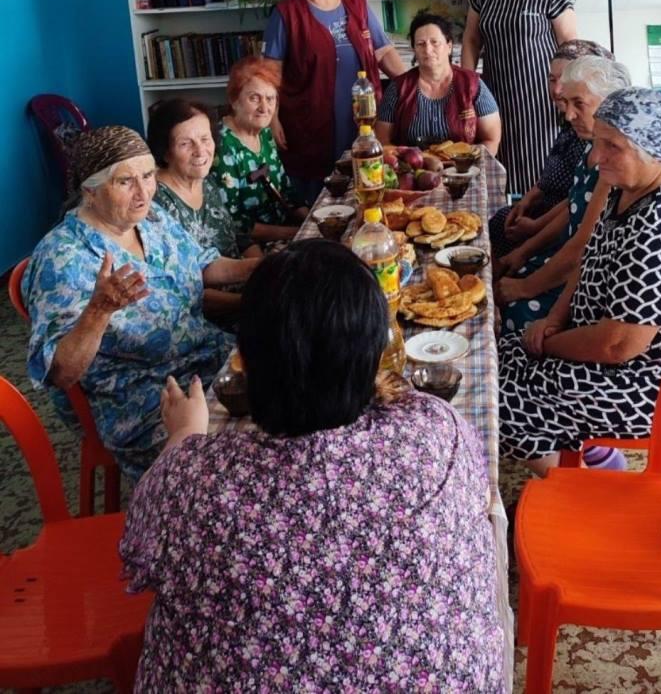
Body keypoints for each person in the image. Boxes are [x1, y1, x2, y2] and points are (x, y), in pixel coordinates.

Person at [120, 239, 505, 691]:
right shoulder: (439, 430)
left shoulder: (187, 479)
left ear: (246, 361)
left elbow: (138, 555)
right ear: (374, 353)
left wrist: (185, 435)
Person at [497, 88, 661, 476]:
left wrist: (549, 344)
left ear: (652, 149)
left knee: (502, 399)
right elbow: (588, 258)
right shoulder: (628, 188)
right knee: (501, 357)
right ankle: (580, 466)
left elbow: (620, 344)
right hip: (613, 345)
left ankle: (581, 484)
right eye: (597, 143)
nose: (594, 157)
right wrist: (554, 319)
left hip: (659, 377)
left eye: (611, 146)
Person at [22, 126, 261, 483]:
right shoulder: (63, 259)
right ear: (90, 191)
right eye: (125, 182)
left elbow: (202, 263)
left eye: (148, 176)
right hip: (146, 400)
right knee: (249, 462)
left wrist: (260, 267)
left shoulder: (151, 220)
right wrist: (99, 311)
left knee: (292, 391)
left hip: (210, 360)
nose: (143, 192)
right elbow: (61, 373)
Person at [495, 55, 631, 335]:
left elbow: (583, 245)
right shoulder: (589, 146)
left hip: (590, 279)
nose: (568, 115)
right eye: (567, 104)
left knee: (511, 314)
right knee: (499, 275)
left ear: (609, 103)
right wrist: (523, 253)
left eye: (579, 104)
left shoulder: (615, 163)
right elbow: (574, 204)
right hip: (568, 259)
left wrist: (523, 288)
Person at [264, 0, 406, 201]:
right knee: (319, 185)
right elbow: (271, 71)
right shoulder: (287, 13)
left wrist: (412, 86)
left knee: (365, 174)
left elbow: (383, 51)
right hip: (309, 115)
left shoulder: (357, 5)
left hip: (361, 113)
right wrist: (272, 119)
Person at [462, 0, 577, 195]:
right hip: (494, 95)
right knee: (498, 162)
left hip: (539, 97)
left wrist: (564, 90)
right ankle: (505, 225)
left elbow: (571, 45)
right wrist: (467, 87)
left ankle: (540, 225)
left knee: (540, 167)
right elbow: (471, 39)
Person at [489, 39, 615, 259]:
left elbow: (574, 205)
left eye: (565, 79)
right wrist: (528, 199)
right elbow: (553, 178)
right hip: (545, 213)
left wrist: (534, 229)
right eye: (552, 79)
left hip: (559, 227)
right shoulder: (569, 124)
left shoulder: (595, 138)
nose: (557, 89)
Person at [147, 98, 262, 321]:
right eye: (185, 144)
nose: (201, 151)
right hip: (212, 315)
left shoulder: (206, 182)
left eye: (204, 139)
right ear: (165, 151)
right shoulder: (155, 203)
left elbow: (239, 237)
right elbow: (186, 292)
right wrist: (254, 302)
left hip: (245, 287)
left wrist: (264, 271)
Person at [212, 55, 309, 245]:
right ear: (234, 100)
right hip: (251, 246)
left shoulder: (264, 134)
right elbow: (235, 223)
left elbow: (286, 191)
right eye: (254, 98)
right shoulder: (222, 147)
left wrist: (312, 221)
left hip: (283, 230)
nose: (264, 108)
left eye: (270, 99)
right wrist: (293, 233)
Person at [375, 13, 502, 154]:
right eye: (420, 44)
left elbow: (491, 139)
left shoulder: (473, 85)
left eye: (434, 42)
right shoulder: (397, 88)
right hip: (414, 172)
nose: (428, 50)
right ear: (414, 50)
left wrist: (471, 165)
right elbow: (382, 141)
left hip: (464, 170)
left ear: (449, 46)